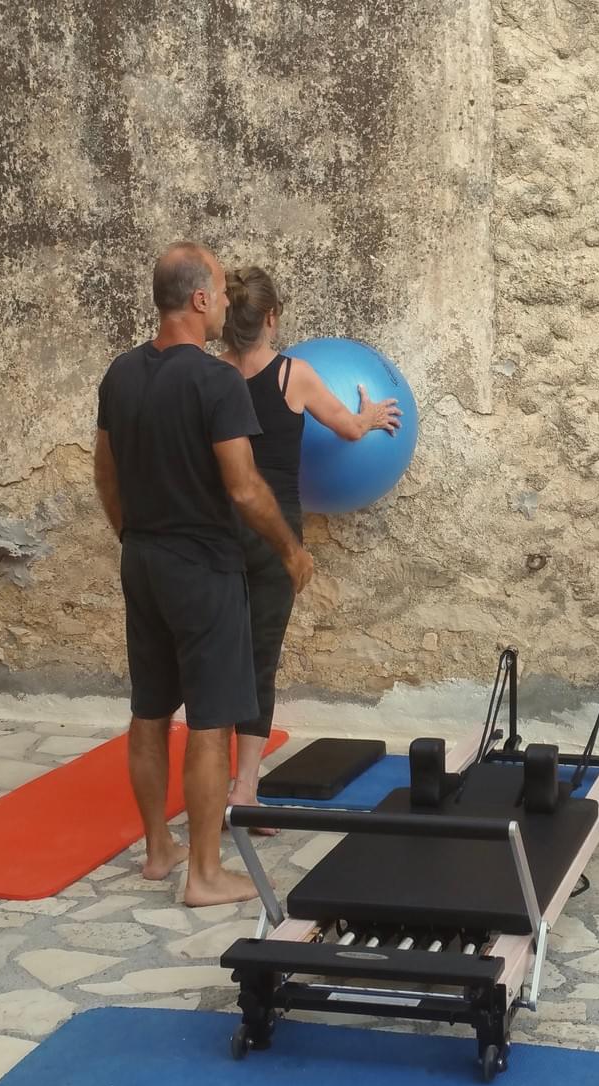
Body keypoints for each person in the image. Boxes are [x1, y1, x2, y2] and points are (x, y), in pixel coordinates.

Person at [93, 242, 315, 905]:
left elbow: (104, 472)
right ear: (197, 300)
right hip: (203, 567)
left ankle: (160, 851)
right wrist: (290, 551)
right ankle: (205, 875)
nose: (224, 302)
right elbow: (245, 489)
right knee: (212, 721)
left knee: (150, 711)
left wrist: (131, 533)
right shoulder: (216, 381)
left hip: (144, 560)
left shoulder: (121, 374)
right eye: (218, 291)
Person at [218, 266, 400, 829]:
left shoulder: (210, 374)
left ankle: (214, 782)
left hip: (218, 526)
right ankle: (244, 791)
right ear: (272, 318)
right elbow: (347, 428)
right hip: (275, 534)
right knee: (260, 659)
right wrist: (371, 416)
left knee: (219, 656)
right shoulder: (293, 375)